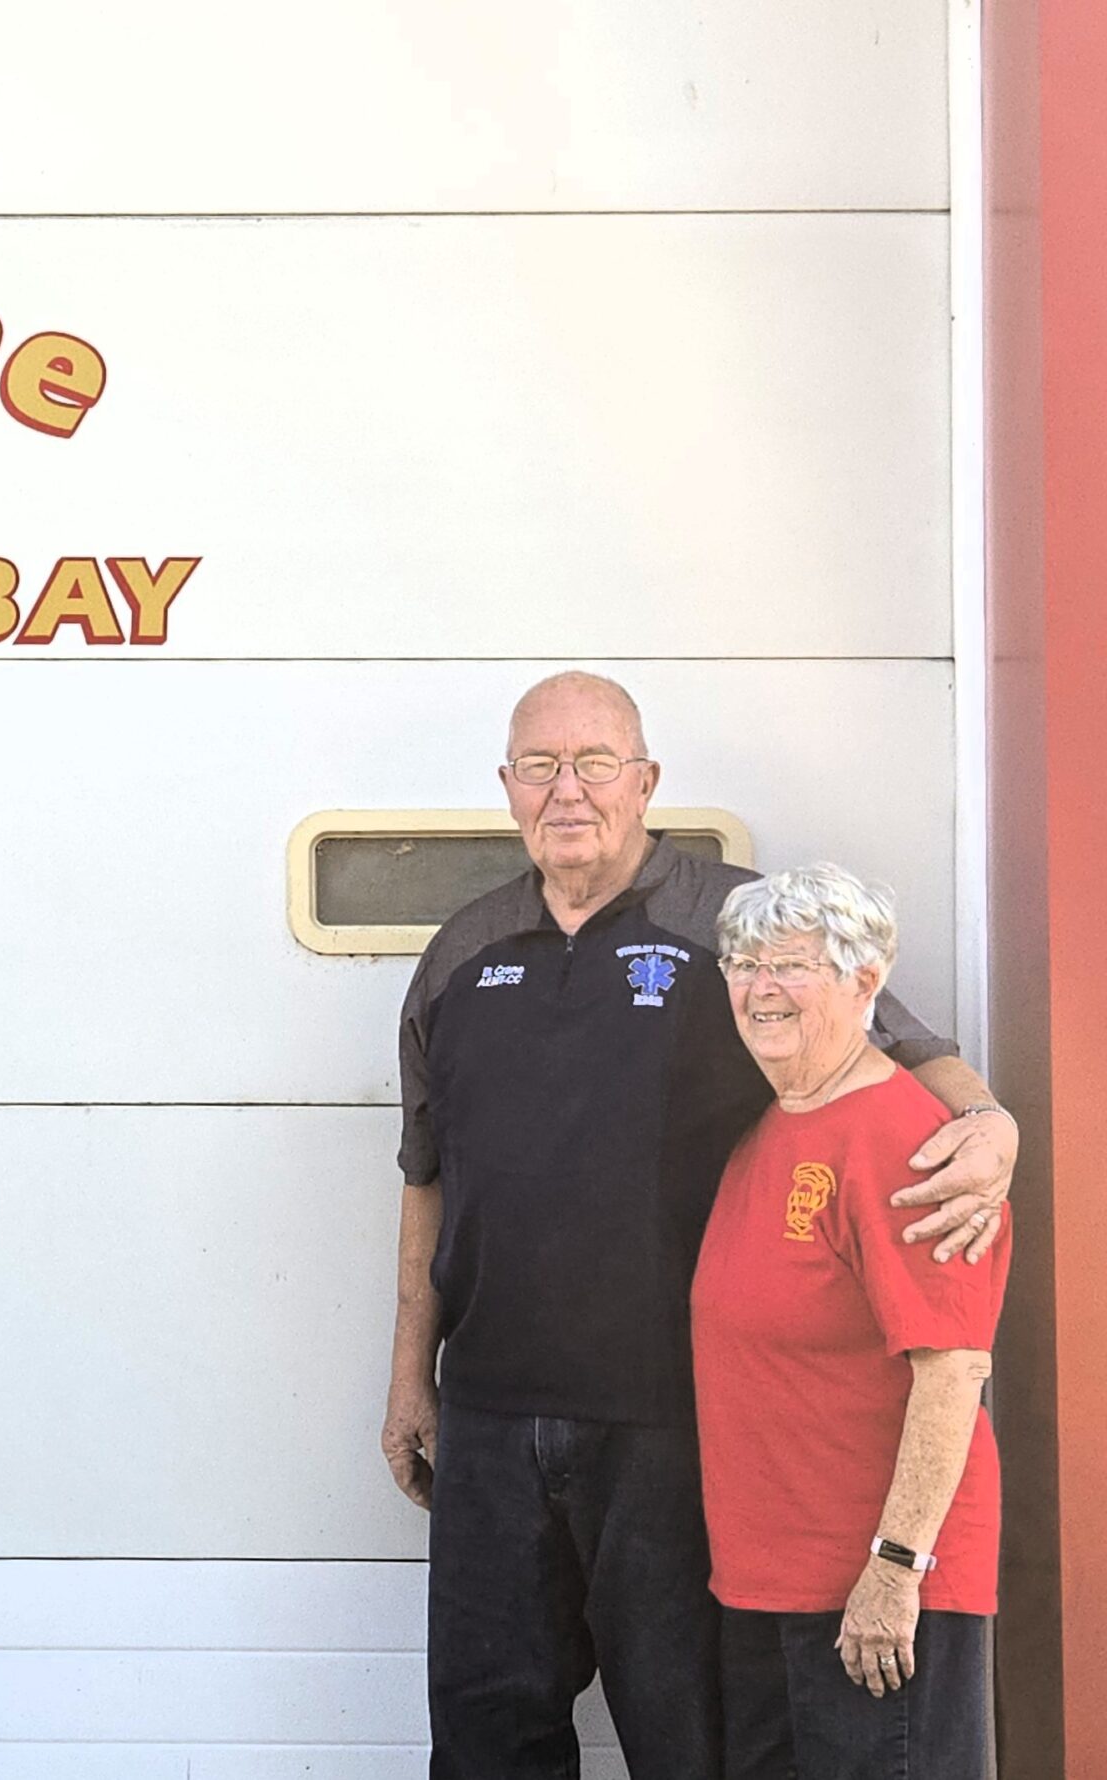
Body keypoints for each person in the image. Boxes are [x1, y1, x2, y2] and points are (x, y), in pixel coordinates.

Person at [380, 672, 1016, 1779]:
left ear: (646, 781)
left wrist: (989, 1121)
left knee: (688, 1743)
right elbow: (425, 1176)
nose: (567, 790)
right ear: (507, 785)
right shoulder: (461, 952)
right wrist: (408, 1377)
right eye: (539, 766)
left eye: (595, 763)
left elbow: (898, 1045)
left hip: (673, 1425)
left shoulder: (734, 923)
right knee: (485, 1735)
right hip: (489, 1416)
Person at [692, 865, 1006, 1779]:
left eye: (792, 964)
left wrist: (896, 1568)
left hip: (878, 1599)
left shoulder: (908, 1143)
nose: (762, 988)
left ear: (866, 981)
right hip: (767, 1587)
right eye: (744, 964)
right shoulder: (768, 1127)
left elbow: (952, 1369)